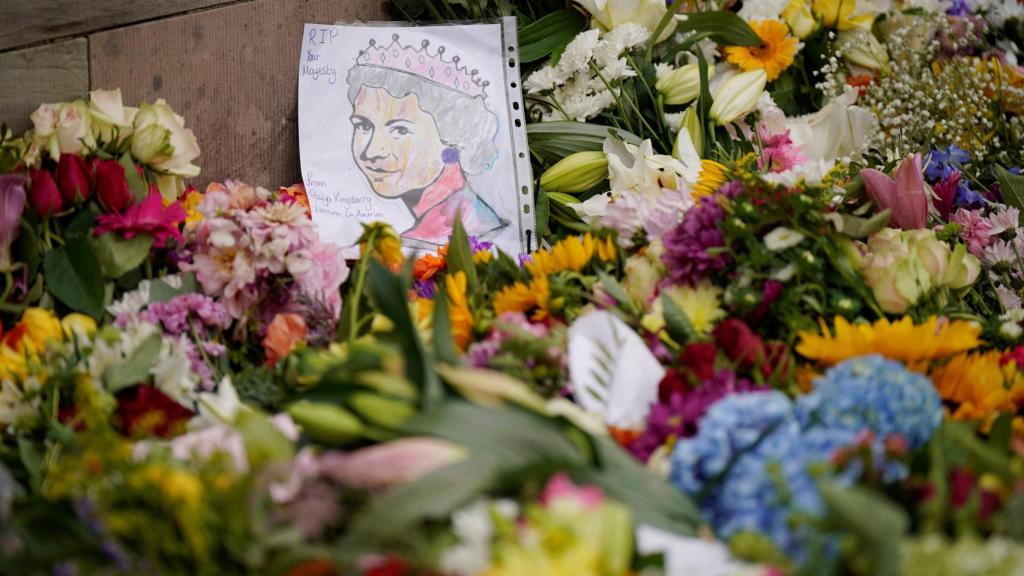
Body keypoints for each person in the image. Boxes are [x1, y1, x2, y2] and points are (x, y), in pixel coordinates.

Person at [346, 35, 508, 247]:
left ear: (453, 138)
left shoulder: (435, 241)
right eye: (364, 126)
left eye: (400, 130)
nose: (373, 151)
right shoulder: (466, 217)